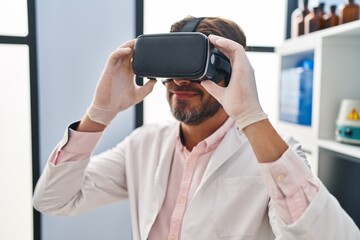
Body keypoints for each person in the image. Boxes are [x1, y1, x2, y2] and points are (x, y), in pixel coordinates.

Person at [33, 16, 360, 240]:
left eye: (195, 66)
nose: (179, 81)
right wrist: (99, 113)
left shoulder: (274, 154)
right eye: (172, 65)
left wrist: (250, 115)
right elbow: (52, 200)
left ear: (230, 71)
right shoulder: (144, 145)